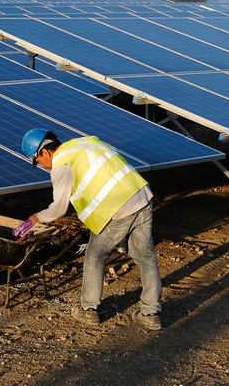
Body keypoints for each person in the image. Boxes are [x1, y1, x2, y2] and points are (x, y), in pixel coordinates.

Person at [21, 128, 163, 330]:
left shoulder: (61, 163)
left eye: (38, 161)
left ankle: (88, 310)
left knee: (95, 256)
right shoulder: (85, 142)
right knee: (146, 257)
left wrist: (37, 218)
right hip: (141, 196)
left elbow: (59, 208)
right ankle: (151, 314)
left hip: (117, 208)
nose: (42, 166)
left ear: (45, 152)